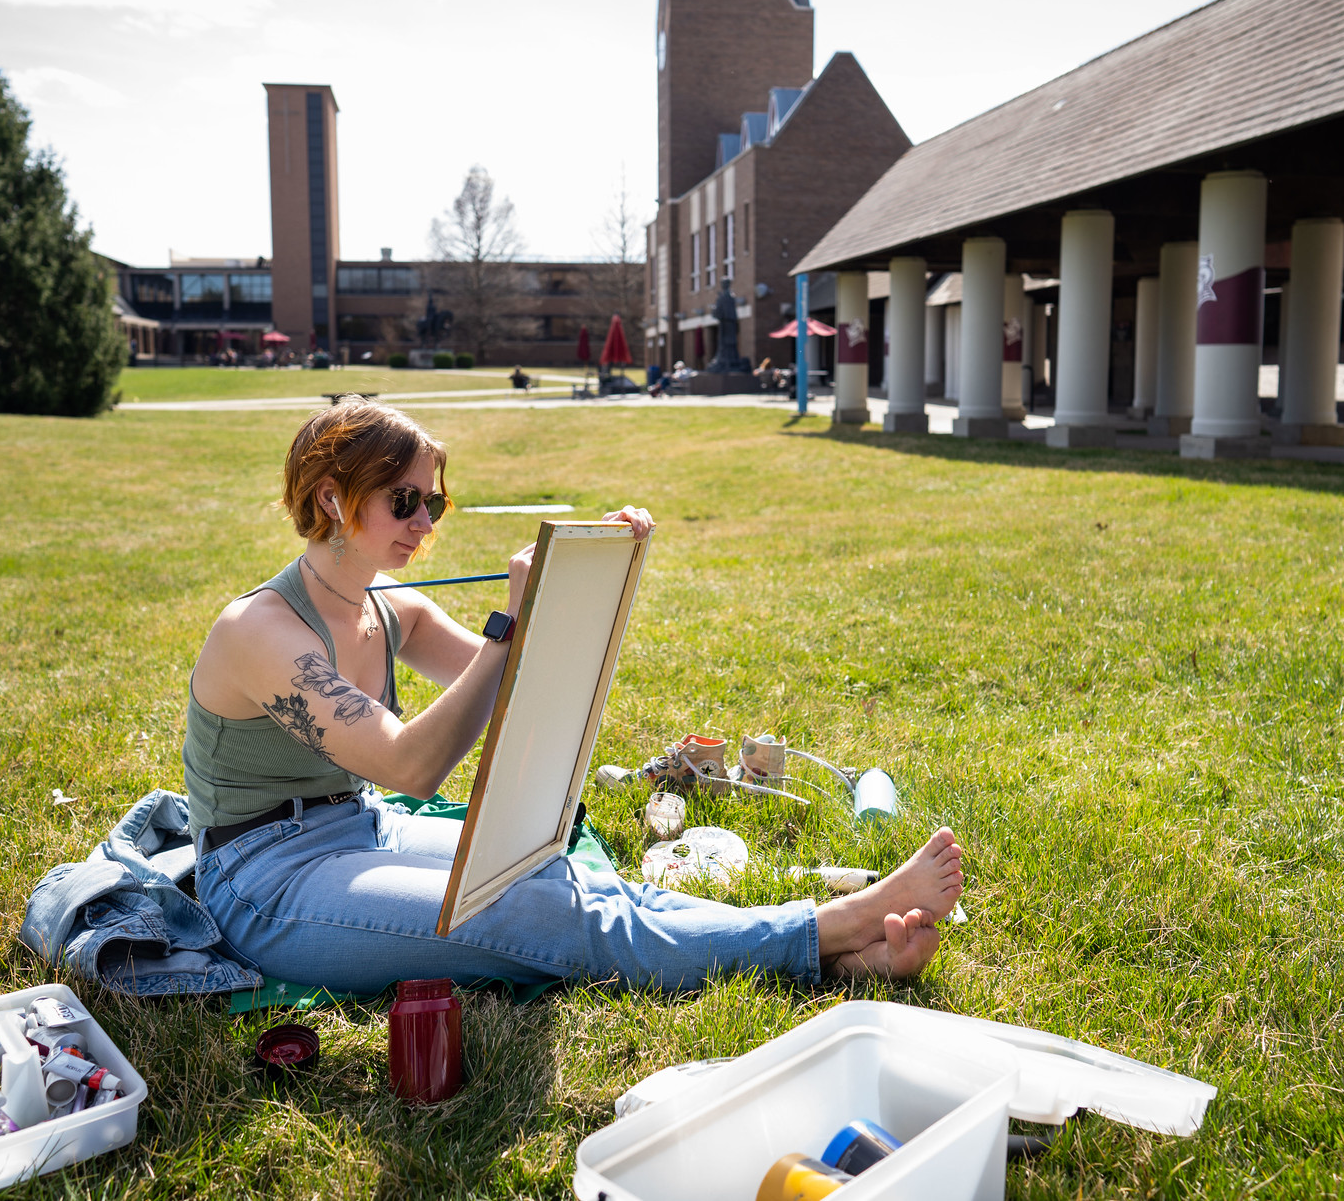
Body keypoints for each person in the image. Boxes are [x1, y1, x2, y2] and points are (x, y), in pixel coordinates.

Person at [184, 399, 962, 993]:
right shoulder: (261, 630)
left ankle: (835, 956)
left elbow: (537, 683)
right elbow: (413, 765)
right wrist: (508, 628)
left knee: (559, 877)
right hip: (264, 881)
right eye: (403, 500)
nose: (424, 522)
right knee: (530, 914)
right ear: (330, 499)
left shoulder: (391, 607)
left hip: (360, 831)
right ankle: (830, 927)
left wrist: (596, 571)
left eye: (434, 502)